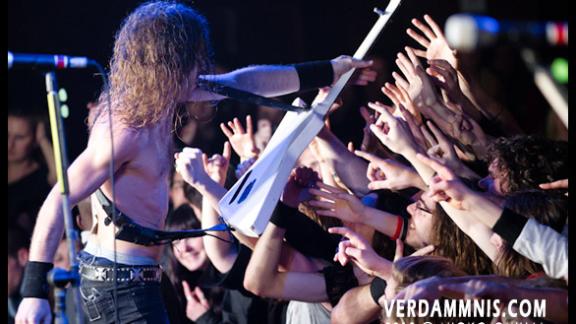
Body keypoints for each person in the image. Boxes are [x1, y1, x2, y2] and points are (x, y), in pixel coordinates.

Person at [15, 1, 372, 323]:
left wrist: (331, 69)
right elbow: (56, 199)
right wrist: (33, 293)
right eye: (194, 60)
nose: (201, 69)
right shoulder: (124, 129)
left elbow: (246, 81)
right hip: (117, 286)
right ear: (171, 62)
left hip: (135, 279)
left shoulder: (159, 97)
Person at [8, 109, 56, 233]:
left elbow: (61, 182)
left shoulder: (42, 177)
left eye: (19, 137)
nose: (10, 144)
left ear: (34, 140)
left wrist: (43, 140)